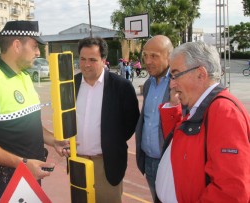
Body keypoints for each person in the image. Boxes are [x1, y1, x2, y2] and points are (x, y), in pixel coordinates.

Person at [0, 20, 69, 202]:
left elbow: (26, 124)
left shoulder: (24, 77)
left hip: (29, 182)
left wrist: (53, 141)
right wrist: (23, 164)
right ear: (17, 45)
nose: (38, 52)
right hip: (5, 189)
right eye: (34, 46)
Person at [156, 41, 250, 202]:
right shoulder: (201, 107)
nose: (172, 83)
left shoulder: (224, 113)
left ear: (201, 74)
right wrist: (172, 108)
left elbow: (231, 191)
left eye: (176, 74)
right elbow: (185, 146)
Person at [74, 37, 140, 203]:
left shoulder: (122, 87)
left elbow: (131, 123)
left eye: (92, 60)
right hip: (78, 165)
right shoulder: (70, 84)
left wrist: (111, 140)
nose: (86, 64)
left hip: (106, 165)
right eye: (82, 59)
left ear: (103, 60)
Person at [135, 35, 174, 202]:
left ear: (169, 57)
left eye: (154, 56)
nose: (147, 61)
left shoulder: (178, 83)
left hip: (169, 163)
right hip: (149, 162)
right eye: (145, 55)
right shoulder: (149, 84)